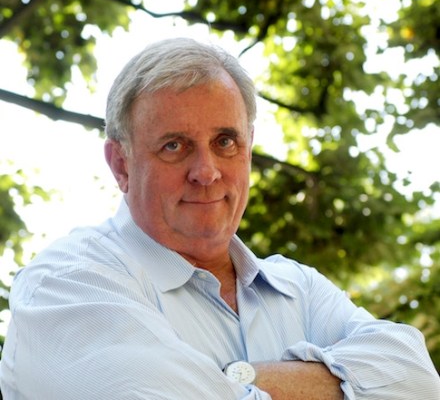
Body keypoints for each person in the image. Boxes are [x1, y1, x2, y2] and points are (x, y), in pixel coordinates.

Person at [0, 37, 439, 400]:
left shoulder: (298, 289)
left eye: (225, 141)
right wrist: (335, 384)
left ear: (248, 148)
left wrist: (235, 377)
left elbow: (419, 381)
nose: (206, 172)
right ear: (121, 165)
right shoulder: (67, 284)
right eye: (174, 146)